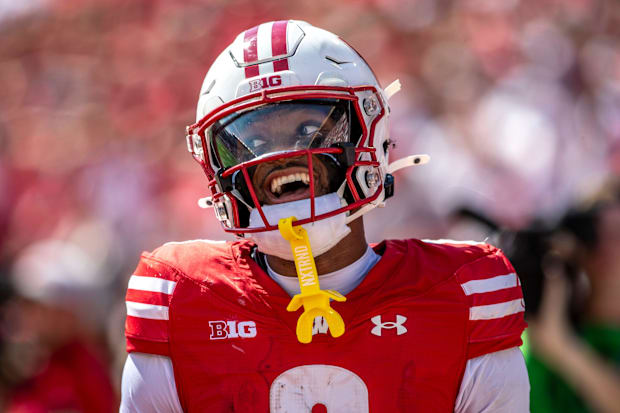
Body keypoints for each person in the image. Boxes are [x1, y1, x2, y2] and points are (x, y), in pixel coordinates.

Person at [120, 20, 529, 412]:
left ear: (369, 135)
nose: (280, 156)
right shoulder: (181, 298)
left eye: (309, 130)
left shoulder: (463, 293)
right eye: (253, 141)